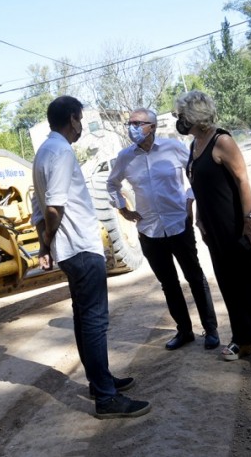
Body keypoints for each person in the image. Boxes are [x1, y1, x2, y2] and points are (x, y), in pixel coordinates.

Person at [31, 96, 151, 418]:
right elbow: (53, 207)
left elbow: (37, 207)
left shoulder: (43, 153)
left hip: (70, 251)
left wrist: (46, 246)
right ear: (72, 119)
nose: (81, 126)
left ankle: (101, 383)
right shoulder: (60, 152)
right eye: (80, 119)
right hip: (81, 249)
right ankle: (106, 399)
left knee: (85, 321)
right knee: (95, 323)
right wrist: (48, 241)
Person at [173, 90, 251, 368]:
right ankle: (243, 338)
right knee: (228, 284)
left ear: (196, 116)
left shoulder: (222, 140)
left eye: (182, 115)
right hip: (213, 229)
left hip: (235, 225)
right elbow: (199, 186)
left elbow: (243, 179)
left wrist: (249, 219)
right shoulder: (194, 145)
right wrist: (199, 218)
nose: (179, 120)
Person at [106, 107, 220, 351]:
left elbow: (195, 174)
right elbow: (112, 184)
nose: (132, 127)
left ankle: (211, 329)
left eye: (138, 123)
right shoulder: (125, 157)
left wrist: (190, 200)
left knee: (194, 277)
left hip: (179, 223)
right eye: (130, 123)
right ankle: (185, 331)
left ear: (153, 127)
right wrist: (123, 209)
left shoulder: (174, 148)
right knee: (168, 284)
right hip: (149, 231)